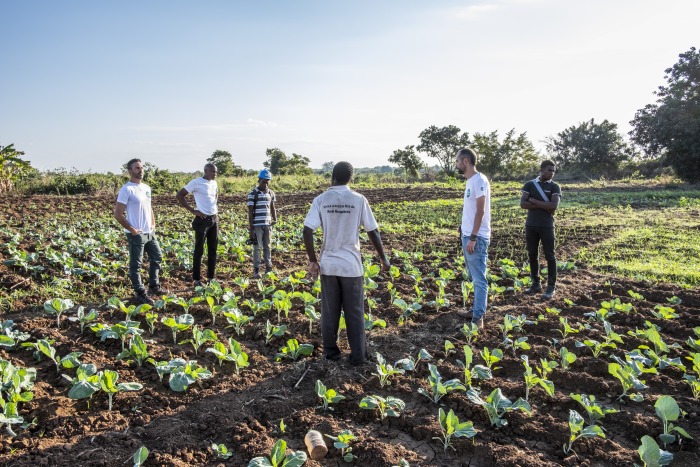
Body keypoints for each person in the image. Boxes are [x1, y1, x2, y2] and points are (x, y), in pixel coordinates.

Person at [303, 161, 390, 365]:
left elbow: (307, 231)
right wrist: (383, 258)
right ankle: (358, 356)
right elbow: (372, 231)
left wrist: (313, 260)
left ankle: (331, 354)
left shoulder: (321, 200)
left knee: (329, 312)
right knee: (355, 313)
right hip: (351, 266)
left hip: (329, 266)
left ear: (332, 177)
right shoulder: (359, 200)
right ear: (351, 178)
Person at [113, 158, 166, 305]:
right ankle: (139, 292)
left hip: (149, 232)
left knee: (157, 257)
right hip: (136, 234)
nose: (140, 170)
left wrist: (153, 223)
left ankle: (154, 286)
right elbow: (118, 214)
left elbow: (149, 207)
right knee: (136, 264)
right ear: (130, 171)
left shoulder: (147, 188)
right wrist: (132, 229)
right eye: (137, 168)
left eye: (141, 167)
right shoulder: (127, 189)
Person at [455, 148, 491, 329]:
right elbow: (470, 210)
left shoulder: (479, 180)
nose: (456, 164)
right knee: (473, 276)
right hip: (467, 235)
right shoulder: (470, 181)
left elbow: (481, 210)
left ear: (466, 161)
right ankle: (476, 309)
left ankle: (478, 318)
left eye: (458, 161)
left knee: (479, 279)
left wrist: (474, 237)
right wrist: (464, 229)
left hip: (475, 238)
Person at [520, 160, 561, 299]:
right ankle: (535, 284)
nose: (552, 173)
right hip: (531, 225)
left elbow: (553, 206)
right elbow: (522, 204)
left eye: (553, 171)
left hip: (547, 225)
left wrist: (534, 201)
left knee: (550, 256)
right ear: (542, 170)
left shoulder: (555, 187)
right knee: (532, 255)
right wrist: (545, 205)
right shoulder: (530, 184)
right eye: (550, 170)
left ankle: (551, 287)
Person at [176, 163, 219, 287]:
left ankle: (211, 278)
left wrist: (215, 208)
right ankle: (196, 280)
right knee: (199, 250)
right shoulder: (196, 182)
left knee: (213, 250)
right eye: (212, 172)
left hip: (214, 219)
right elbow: (180, 195)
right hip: (202, 220)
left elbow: (216, 195)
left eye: (216, 172)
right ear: (205, 171)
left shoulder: (214, 183)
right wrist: (193, 210)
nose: (214, 174)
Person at [247, 169, 277, 278]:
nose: (266, 183)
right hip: (257, 226)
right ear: (259, 180)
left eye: (267, 181)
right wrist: (251, 229)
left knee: (267, 247)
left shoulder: (271, 193)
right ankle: (256, 270)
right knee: (257, 248)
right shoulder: (252, 194)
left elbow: (272, 207)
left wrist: (275, 218)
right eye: (264, 181)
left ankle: (268, 268)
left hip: (268, 225)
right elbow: (250, 212)